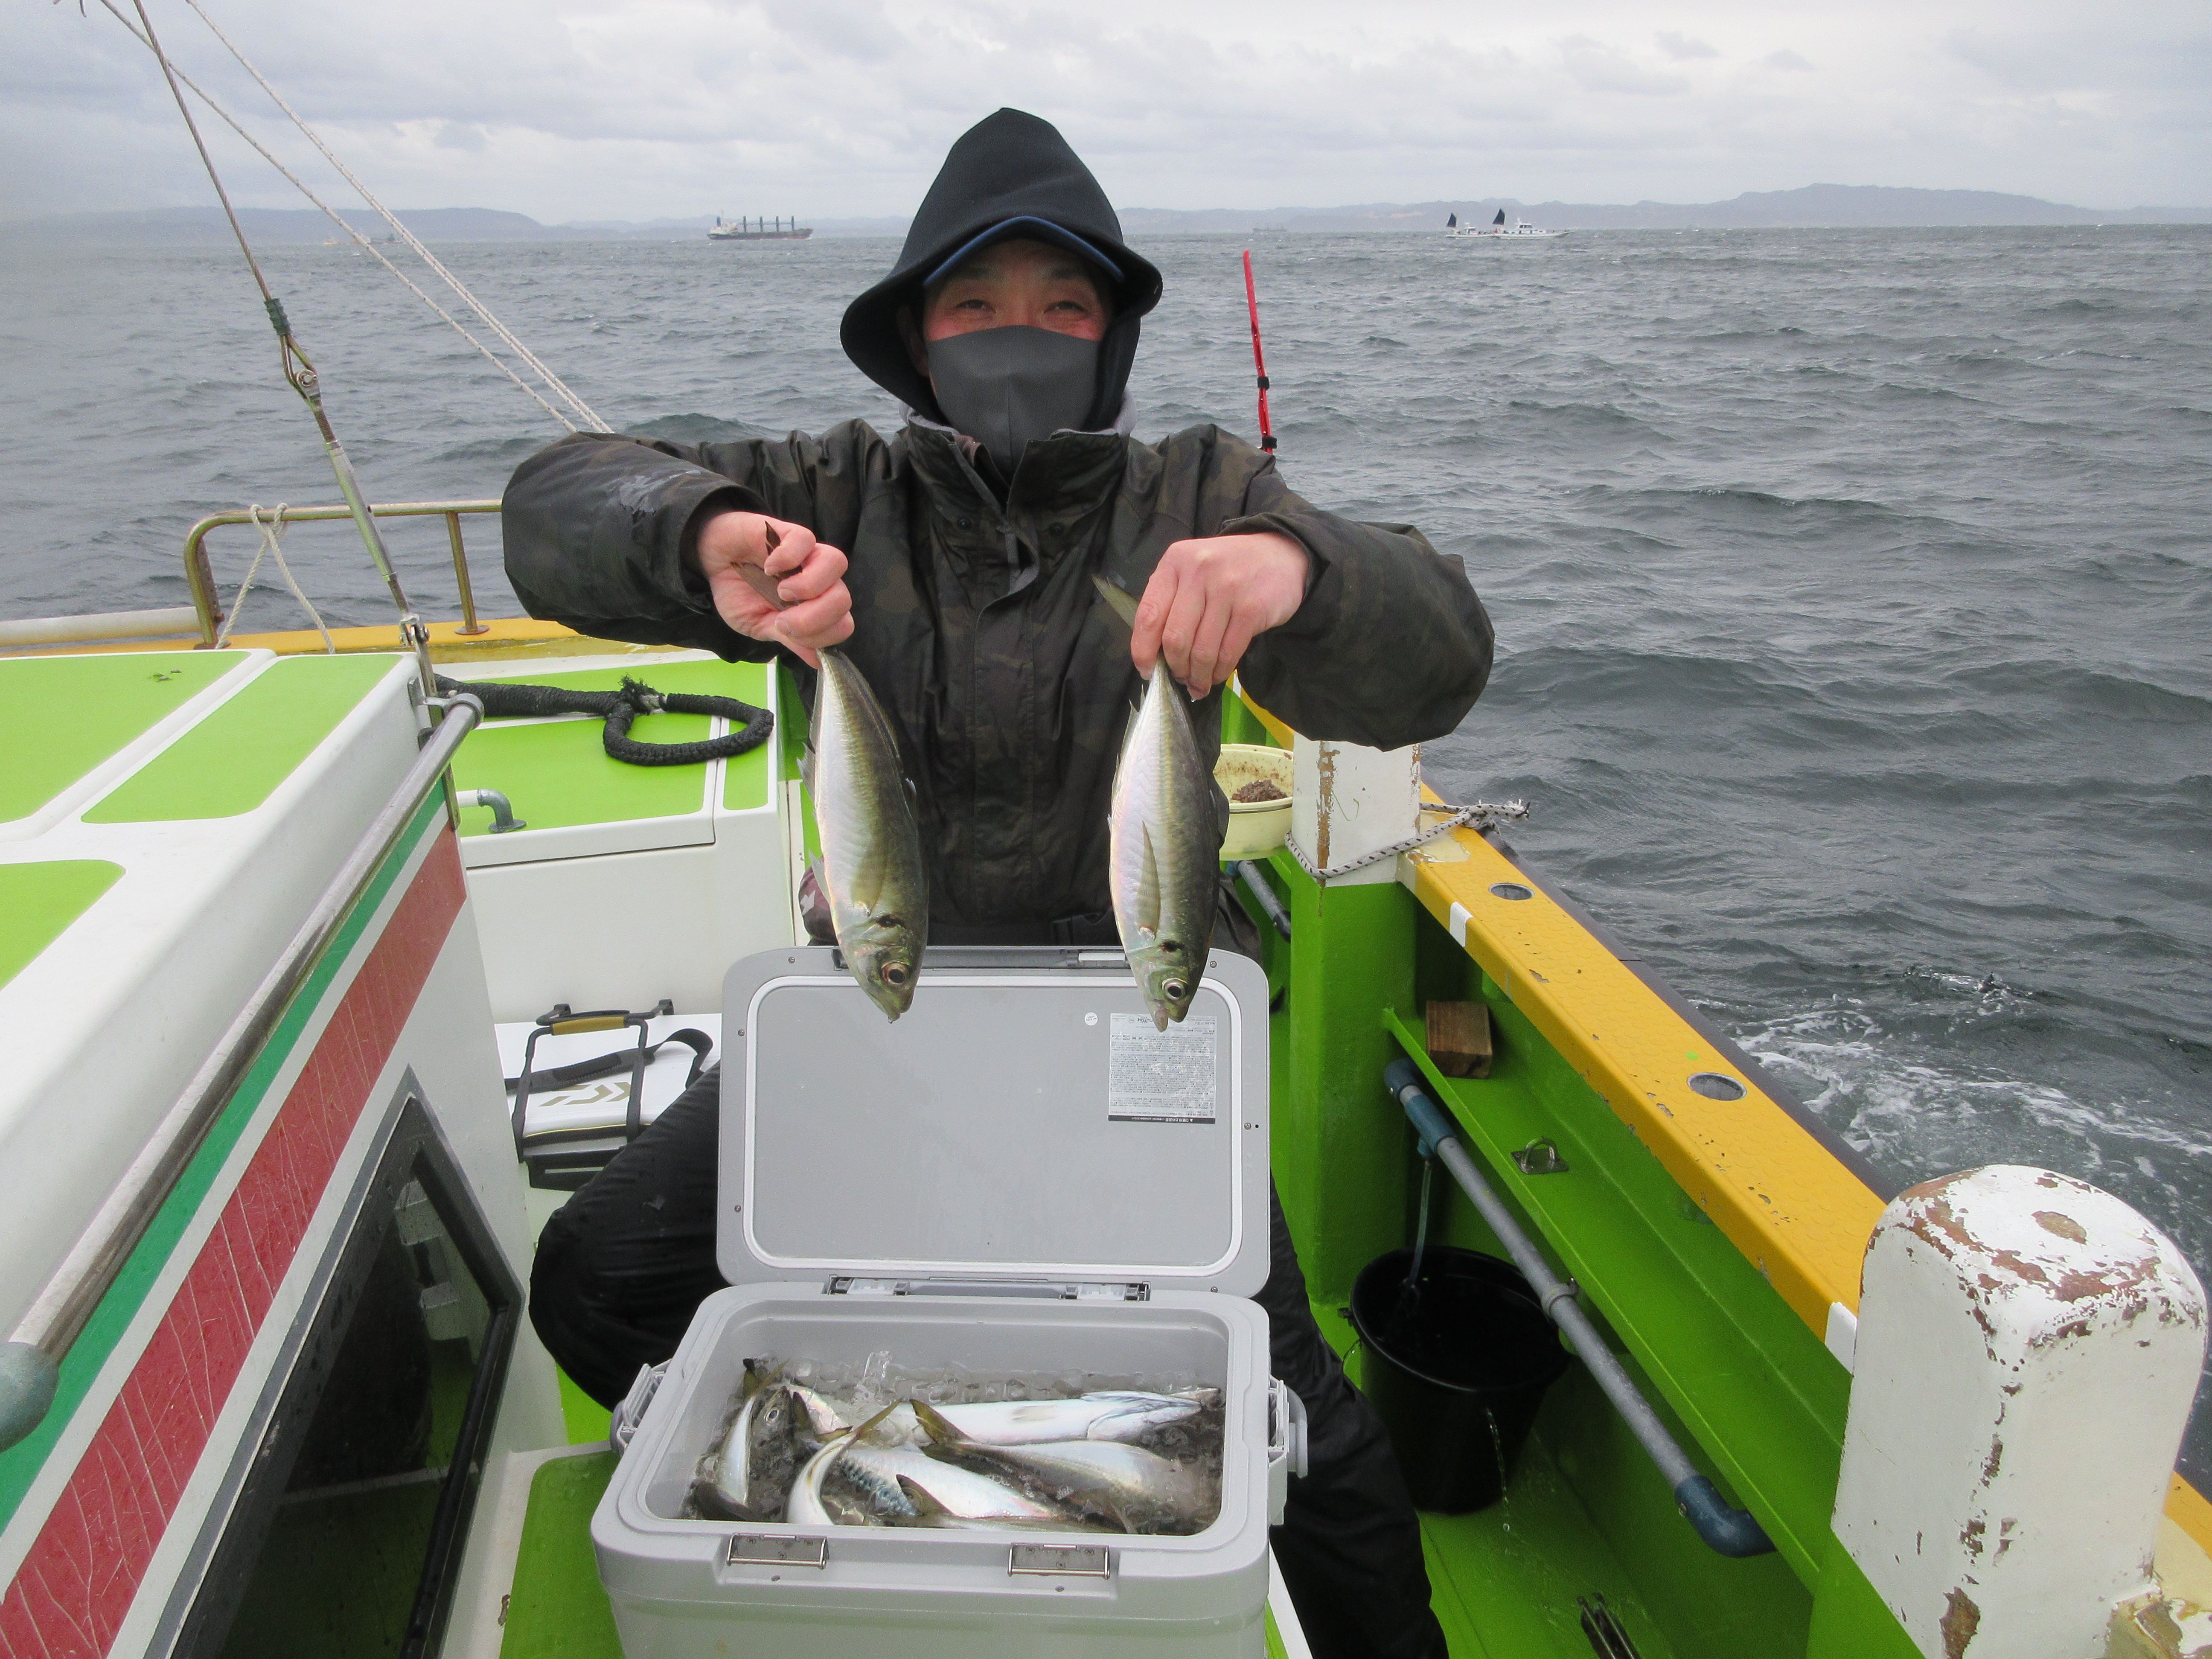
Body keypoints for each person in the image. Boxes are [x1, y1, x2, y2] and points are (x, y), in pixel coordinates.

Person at [504, 108, 1491, 1659]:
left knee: (1297, 1413)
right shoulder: (824, 493)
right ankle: (832, 1506)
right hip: (883, 1011)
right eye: (974, 305)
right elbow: (555, 504)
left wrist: (1299, 572)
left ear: (1112, 337)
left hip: (1137, 1017)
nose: (1017, 335)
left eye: (1061, 305)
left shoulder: (1203, 494)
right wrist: (701, 537)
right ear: (916, 337)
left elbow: (1442, 655)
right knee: (596, 1274)